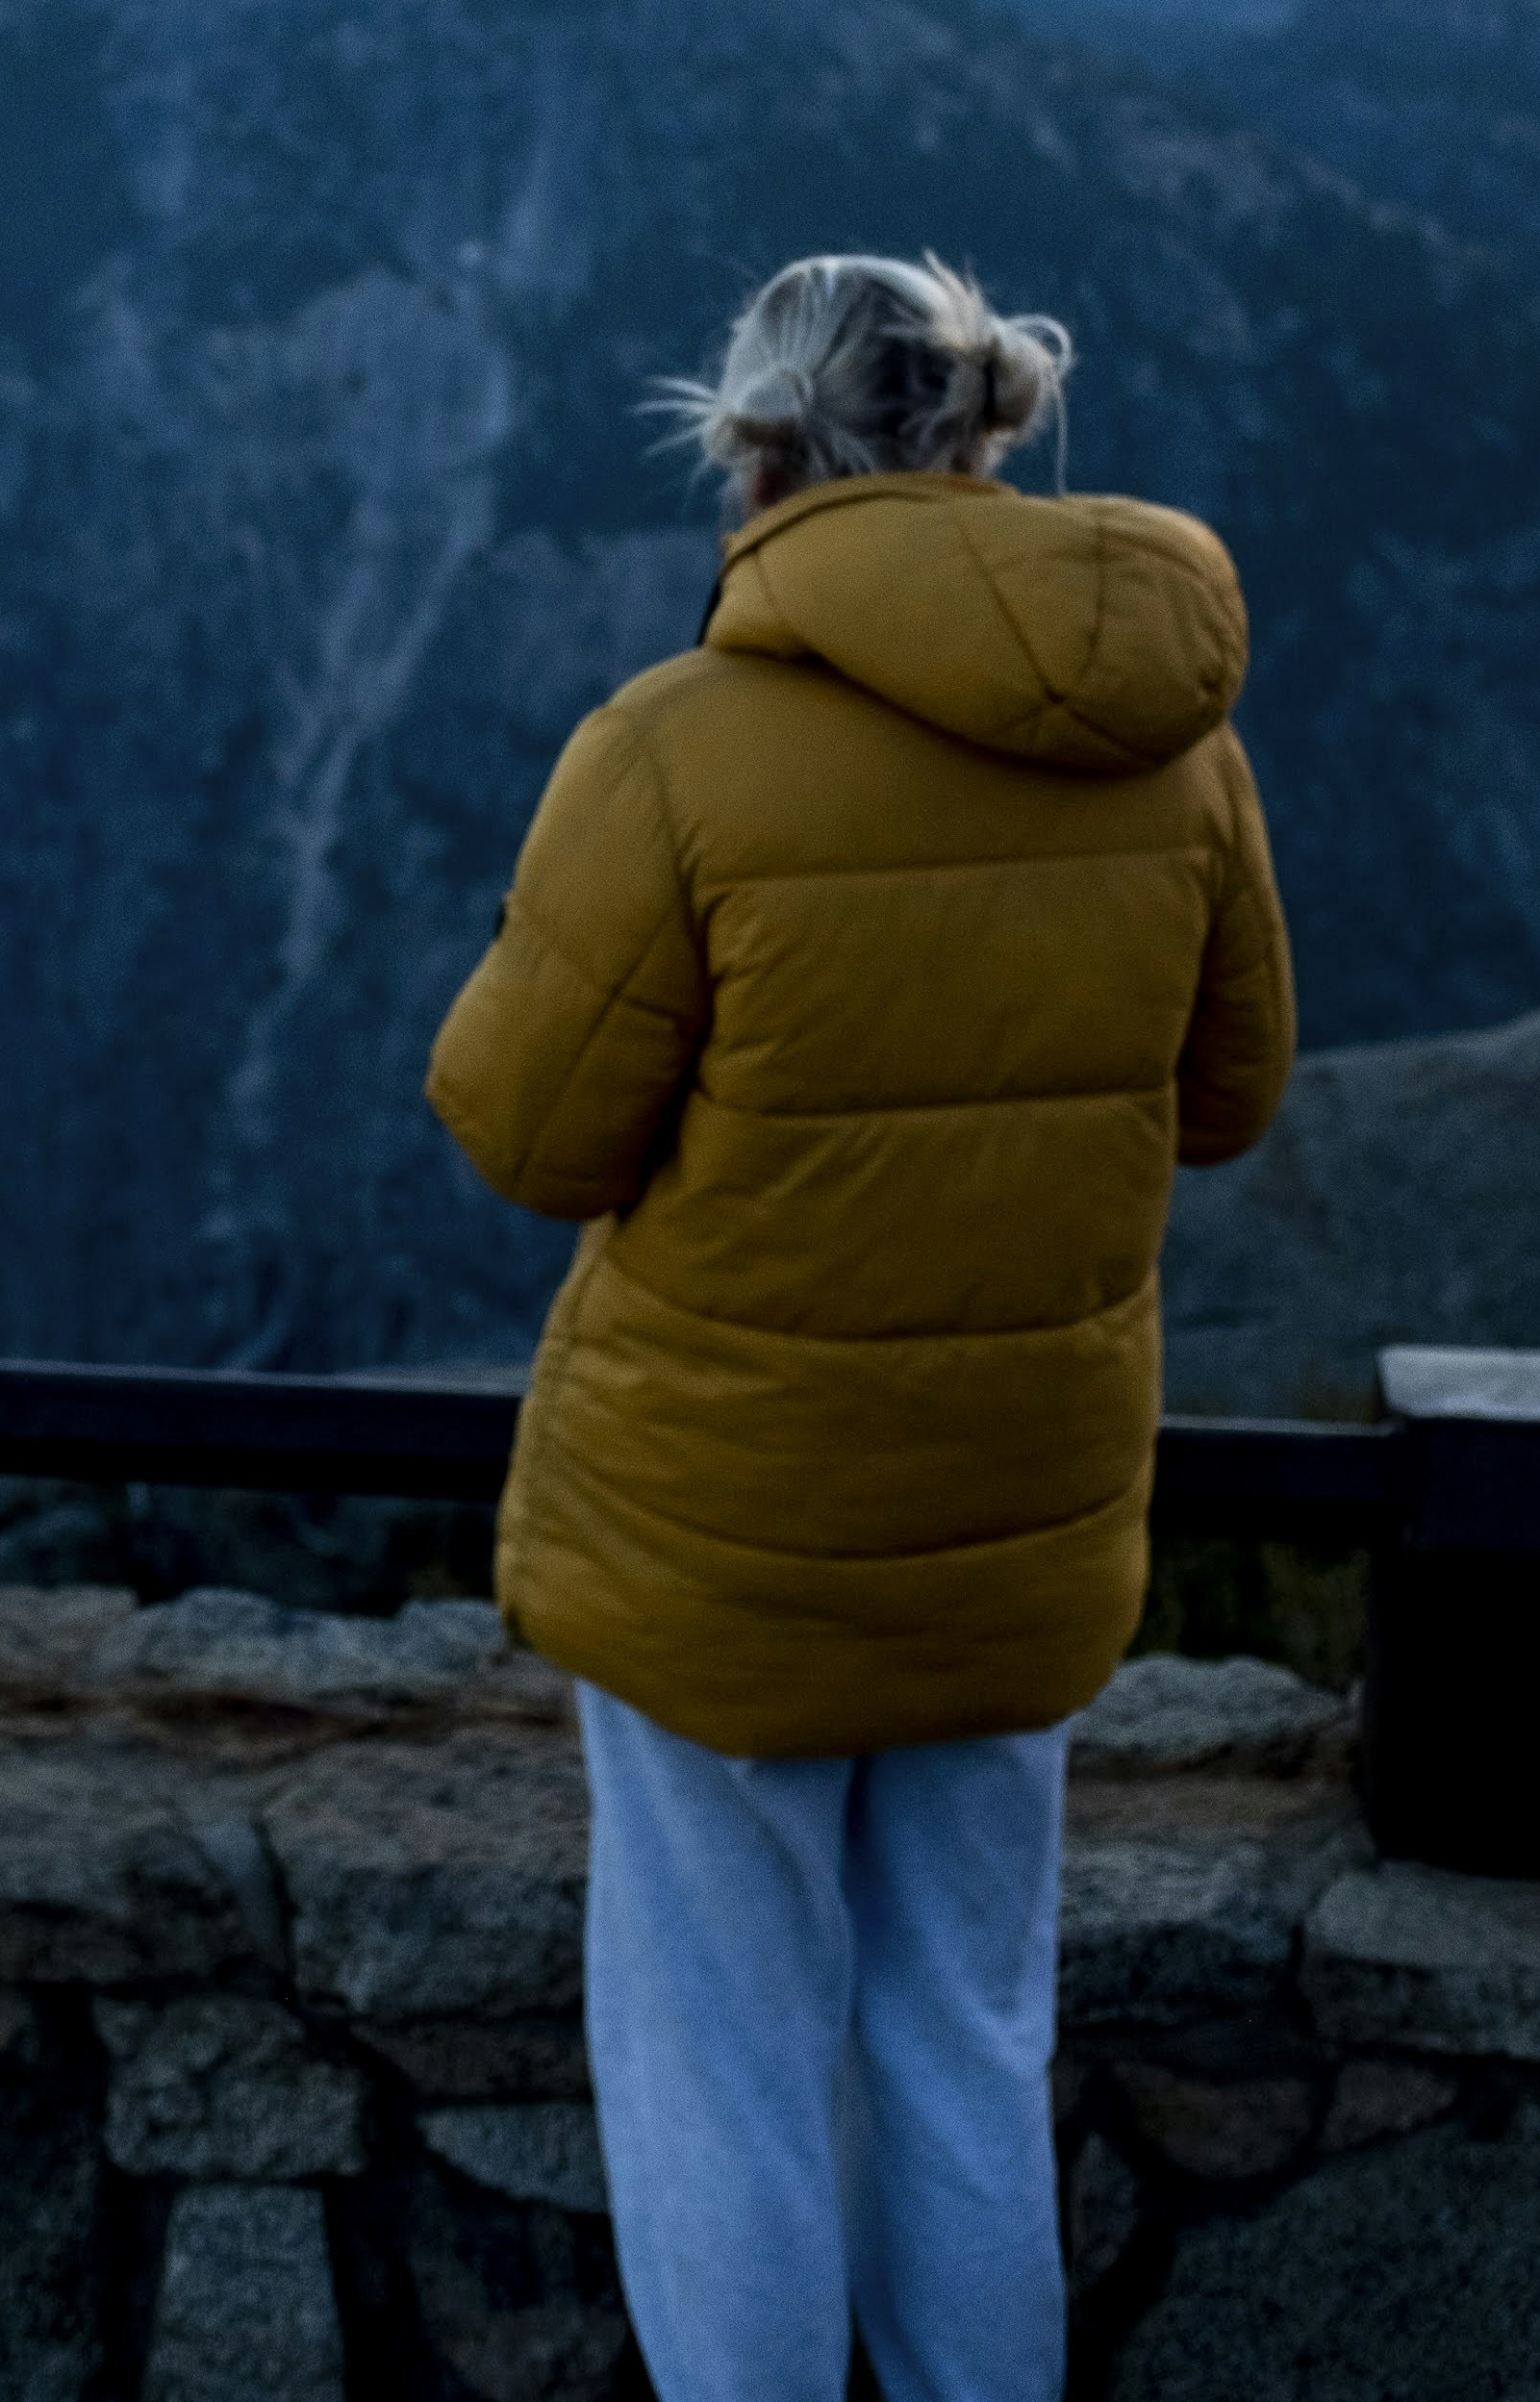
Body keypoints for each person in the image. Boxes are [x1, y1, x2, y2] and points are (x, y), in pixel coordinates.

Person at [426, 251, 1293, 2402]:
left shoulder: (674, 754)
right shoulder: (1180, 753)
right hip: (1013, 1519)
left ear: (755, 448)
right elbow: (1229, 1100)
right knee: (968, 2040)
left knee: (724, 2053)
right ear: (982, 426)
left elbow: (528, 1129)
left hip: (727, 1538)